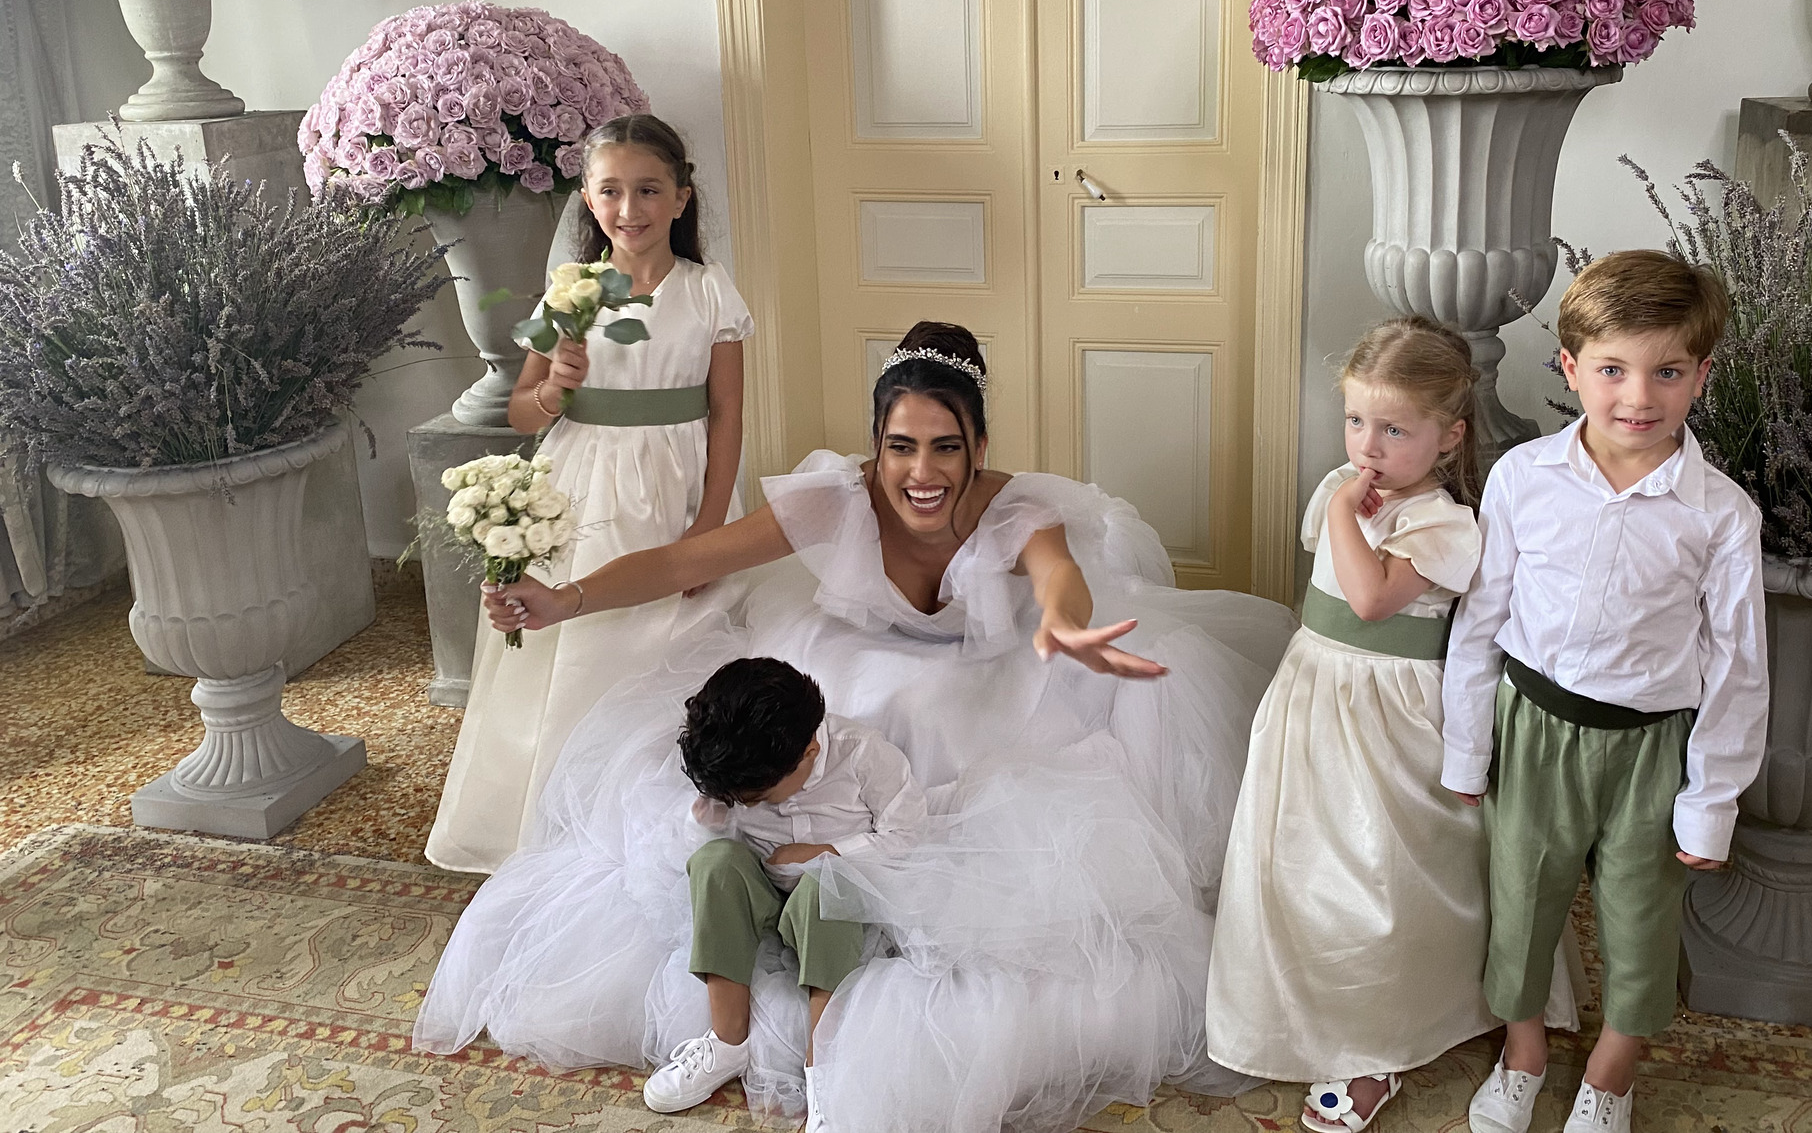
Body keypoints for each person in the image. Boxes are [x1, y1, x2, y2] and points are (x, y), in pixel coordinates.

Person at [413, 321, 1296, 1133]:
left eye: (947, 448)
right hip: (855, 661)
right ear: (874, 444)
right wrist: (563, 598)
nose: (923, 472)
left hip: (983, 680)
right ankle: (743, 976)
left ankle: (864, 896)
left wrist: (1064, 623)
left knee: (932, 711)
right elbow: (690, 557)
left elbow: (1057, 572)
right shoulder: (838, 498)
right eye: (901, 446)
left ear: (980, 447)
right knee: (831, 703)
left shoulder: (1018, 507)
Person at [1207, 318, 1576, 1133]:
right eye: (1355, 422)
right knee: (1299, 856)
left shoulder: (1441, 523)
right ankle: (1305, 1008)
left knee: (1387, 876)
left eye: (1394, 429)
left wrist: (1344, 503)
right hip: (1314, 689)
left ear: (1448, 437)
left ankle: (1377, 1040)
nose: (1367, 445)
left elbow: (1372, 598)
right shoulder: (1345, 488)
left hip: (1394, 710)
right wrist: (1343, 496)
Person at [1443, 250, 1768, 1133]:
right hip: (1534, 730)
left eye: (1667, 372)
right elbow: (1480, 622)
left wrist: (1711, 803)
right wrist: (1467, 748)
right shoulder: (1522, 480)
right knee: (1521, 904)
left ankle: (1613, 1076)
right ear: (1572, 368)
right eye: (1614, 369)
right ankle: (1523, 1054)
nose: (1639, 396)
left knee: (1640, 920)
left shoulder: (1721, 515)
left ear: (1702, 374)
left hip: (1651, 749)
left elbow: (1738, 665)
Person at [425, 114, 753, 874]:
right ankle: (563, 826)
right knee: (583, 649)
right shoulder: (571, 294)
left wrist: (707, 529)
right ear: (588, 199)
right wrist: (555, 391)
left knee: (677, 641)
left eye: (648, 190)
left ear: (681, 198)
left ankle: (673, 819)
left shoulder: (709, 293)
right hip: (585, 486)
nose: (630, 209)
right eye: (612, 192)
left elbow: (728, 412)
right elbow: (522, 408)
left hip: (679, 487)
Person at [643, 658, 924, 1132]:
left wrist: (826, 851)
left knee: (826, 884)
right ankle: (728, 1040)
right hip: (765, 893)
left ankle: (824, 1072)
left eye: (757, 796)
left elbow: (908, 833)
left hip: (837, 909)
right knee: (714, 863)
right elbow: (687, 850)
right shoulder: (734, 772)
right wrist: (704, 822)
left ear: (809, 751)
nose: (745, 804)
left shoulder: (862, 755)